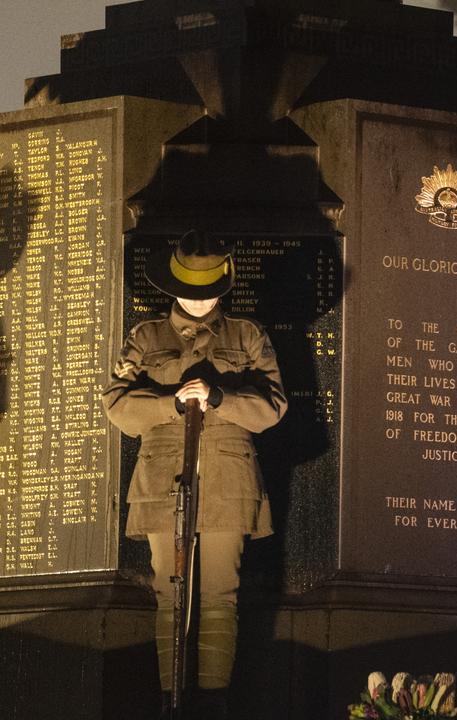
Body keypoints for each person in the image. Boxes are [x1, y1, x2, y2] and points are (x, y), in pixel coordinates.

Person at [101, 230, 286, 719]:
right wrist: (170, 402)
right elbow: (117, 406)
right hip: (164, 477)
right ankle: (171, 700)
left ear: (221, 290)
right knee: (169, 590)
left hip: (229, 477)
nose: (197, 302)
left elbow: (272, 407)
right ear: (172, 286)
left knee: (221, 592)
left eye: (206, 294)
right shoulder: (145, 338)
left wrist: (221, 397)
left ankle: (211, 702)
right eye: (188, 292)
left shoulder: (248, 336)